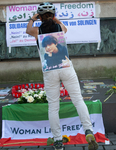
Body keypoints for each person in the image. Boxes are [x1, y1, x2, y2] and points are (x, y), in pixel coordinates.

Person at [26, 2, 99, 150]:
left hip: (50, 71)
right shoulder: (60, 28)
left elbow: (28, 30)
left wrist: (33, 19)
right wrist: (56, 19)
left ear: (40, 16)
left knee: (53, 107)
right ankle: (88, 130)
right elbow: (64, 28)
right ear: (53, 15)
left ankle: (58, 141)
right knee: (78, 100)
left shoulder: (37, 30)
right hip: (66, 68)